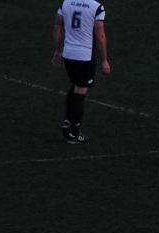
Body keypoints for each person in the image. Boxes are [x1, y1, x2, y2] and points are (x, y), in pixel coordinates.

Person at [52, 0, 111, 144]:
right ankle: (74, 132)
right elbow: (100, 35)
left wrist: (57, 50)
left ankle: (68, 121)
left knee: (75, 85)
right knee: (80, 91)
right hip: (84, 56)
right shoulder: (96, 7)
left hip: (68, 54)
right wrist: (104, 60)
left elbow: (58, 26)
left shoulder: (66, 3)